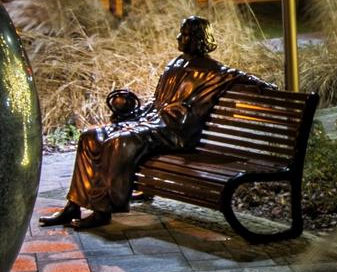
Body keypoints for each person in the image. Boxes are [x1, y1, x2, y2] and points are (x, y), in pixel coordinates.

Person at [40, 16, 274, 230]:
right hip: (152, 121)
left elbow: (244, 78)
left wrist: (265, 88)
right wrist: (132, 111)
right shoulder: (175, 64)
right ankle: (74, 205)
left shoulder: (215, 71)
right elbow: (156, 100)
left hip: (175, 132)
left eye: (184, 34)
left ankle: (103, 211)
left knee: (120, 143)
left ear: (197, 39)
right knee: (91, 136)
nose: (178, 38)